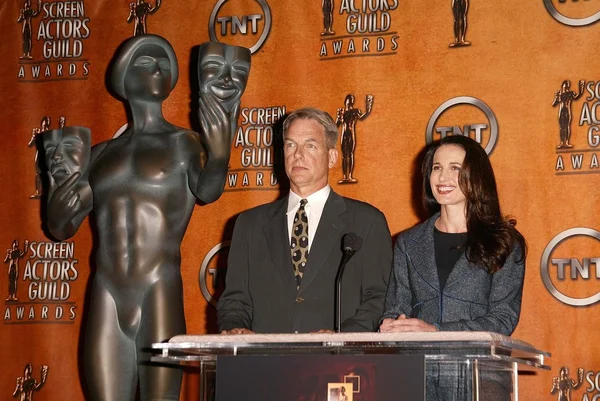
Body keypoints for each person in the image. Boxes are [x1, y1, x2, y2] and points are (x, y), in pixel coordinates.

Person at [44, 35, 249, 401]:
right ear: (123, 77)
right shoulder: (99, 155)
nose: (158, 69)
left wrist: (219, 158)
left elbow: (208, 191)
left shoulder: (184, 143)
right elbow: (63, 228)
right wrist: (57, 211)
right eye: (146, 62)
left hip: (159, 288)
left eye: (164, 64)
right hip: (106, 291)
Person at [218, 107, 392, 334]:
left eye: (310, 145)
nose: (297, 154)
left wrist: (341, 337)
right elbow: (234, 301)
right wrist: (235, 329)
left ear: (331, 157)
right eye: (290, 145)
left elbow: (379, 297)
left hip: (337, 363)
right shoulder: (249, 224)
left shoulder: (367, 222)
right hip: (264, 363)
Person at [380, 135, 526, 401]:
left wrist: (436, 330)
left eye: (455, 168)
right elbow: (395, 307)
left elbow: (503, 318)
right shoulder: (408, 242)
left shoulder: (504, 242)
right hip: (417, 378)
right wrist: (392, 325)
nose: (442, 177)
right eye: (436, 168)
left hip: (482, 379)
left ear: (476, 176)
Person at [553, 80, 585, 149]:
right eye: (566, 84)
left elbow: (577, 97)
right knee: (562, 127)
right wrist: (556, 98)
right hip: (561, 111)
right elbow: (554, 104)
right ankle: (562, 143)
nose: (567, 86)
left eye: (568, 84)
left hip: (567, 111)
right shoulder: (560, 94)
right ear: (563, 85)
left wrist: (581, 89)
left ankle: (566, 142)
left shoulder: (570, 93)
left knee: (567, 126)